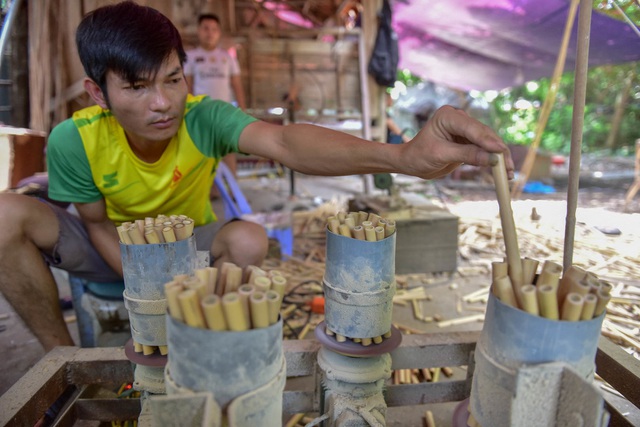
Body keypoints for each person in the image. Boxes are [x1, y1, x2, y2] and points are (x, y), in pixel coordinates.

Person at [0, 1, 513, 352]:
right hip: (112, 250)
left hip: (189, 249)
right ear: (97, 93)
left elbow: (286, 142)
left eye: (173, 79)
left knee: (248, 238)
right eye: (136, 87)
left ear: (186, 71)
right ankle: (62, 362)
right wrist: (148, 288)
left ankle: (211, 349)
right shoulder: (75, 138)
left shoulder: (203, 118)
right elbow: (96, 225)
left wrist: (402, 156)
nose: (162, 103)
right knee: (5, 216)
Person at [184, 13, 246, 177]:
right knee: (203, 154)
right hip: (201, 113)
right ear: (198, 31)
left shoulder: (227, 58)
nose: (209, 33)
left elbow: (237, 86)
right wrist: (189, 113)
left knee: (227, 152)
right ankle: (209, 193)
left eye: (214, 29)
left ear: (219, 32)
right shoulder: (190, 57)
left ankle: (234, 192)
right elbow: (187, 87)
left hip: (224, 113)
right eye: (205, 28)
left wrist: (243, 111)